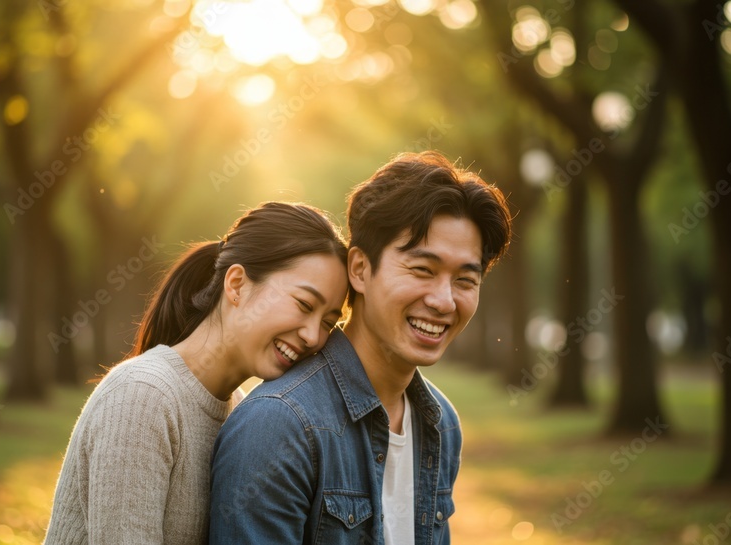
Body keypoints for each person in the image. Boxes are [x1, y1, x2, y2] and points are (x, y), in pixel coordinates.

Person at [209, 151, 512, 545]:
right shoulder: (279, 426)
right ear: (360, 269)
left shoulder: (441, 423)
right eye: (423, 270)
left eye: (465, 280)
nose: (444, 301)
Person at [44, 202, 349, 544]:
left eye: (328, 323)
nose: (313, 336)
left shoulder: (244, 413)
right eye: (305, 305)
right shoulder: (142, 396)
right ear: (237, 285)